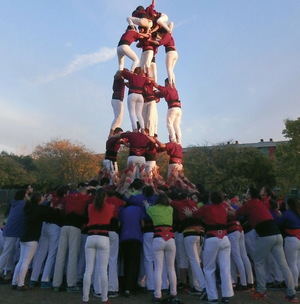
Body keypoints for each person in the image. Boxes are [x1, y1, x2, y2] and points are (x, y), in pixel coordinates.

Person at [236, 187, 298, 303]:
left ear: (250, 195)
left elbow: (237, 213)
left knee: (258, 262)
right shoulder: (259, 203)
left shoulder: (250, 204)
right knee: (283, 265)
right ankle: (292, 294)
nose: (245, 195)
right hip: (277, 234)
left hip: (265, 235)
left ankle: (261, 290)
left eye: (247, 193)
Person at [12, 192, 61, 290]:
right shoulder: (39, 210)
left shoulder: (28, 208)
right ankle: (20, 284)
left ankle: (14, 281)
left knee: (21, 260)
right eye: (42, 197)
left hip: (24, 236)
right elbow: (49, 212)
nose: (44, 198)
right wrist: (57, 209)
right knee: (26, 261)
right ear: (39, 199)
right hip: (32, 238)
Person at [52, 185, 92, 292]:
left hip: (64, 226)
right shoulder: (86, 198)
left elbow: (61, 207)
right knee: (73, 256)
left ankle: (56, 283)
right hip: (75, 227)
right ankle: (71, 284)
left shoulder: (69, 197)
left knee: (60, 255)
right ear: (86, 192)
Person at [198, 191, 234, 304]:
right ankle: (226, 295)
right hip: (224, 238)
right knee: (225, 268)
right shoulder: (224, 207)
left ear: (211, 198)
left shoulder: (206, 208)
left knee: (209, 269)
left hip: (212, 238)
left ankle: (212, 297)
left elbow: (195, 215)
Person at [147, 193, 181, 304]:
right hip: (170, 238)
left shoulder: (152, 209)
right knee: (171, 268)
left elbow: (147, 209)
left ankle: (157, 295)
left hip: (158, 238)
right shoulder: (170, 209)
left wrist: (146, 204)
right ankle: (173, 294)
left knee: (158, 268)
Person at [82, 188, 115, 304]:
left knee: (88, 269)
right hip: (103, 237)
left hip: (90, 236)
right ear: (105, 197)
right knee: (103, 270)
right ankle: (104, 298)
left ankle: (85, 298)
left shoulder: (90, 207)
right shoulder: (110, 207)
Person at [118, 199, 145, 297]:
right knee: (135, 263)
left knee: (126, 263)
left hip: (124, 238)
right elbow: (142, 224)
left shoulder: (122, 210)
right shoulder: (139, 209)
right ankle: (132, 286)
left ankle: (126, 287)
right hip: (136, 238)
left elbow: (119, 224)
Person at [0, 189, 26, 282]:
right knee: (7, 252)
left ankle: (8, 271)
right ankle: (3, 270)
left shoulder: (13, 203)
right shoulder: (23, 204)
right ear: (23, 196)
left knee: (8, 252)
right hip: (12, 232)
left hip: (8, 231)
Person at [276, 198, 300, 289]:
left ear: (288, 205)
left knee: (291, 263)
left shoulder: (287, 213)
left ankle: (293, 284)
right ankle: (296, 282)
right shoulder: (297, 213)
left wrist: (279, 215)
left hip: (292, 239)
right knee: (297, 262)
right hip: (298, 238)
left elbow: (278, 223)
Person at [121, 68, 152, 132]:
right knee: (139, 114)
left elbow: (122, 72)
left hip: (132, 95)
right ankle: (143, 129)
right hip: (140, 96)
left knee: (132, 113)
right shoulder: (143, 78)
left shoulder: (131, 75)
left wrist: (130, 72)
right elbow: (150, 80)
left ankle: (135, 129)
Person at [154, 78, 182, 144]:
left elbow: (158, 87)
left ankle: (173, 140)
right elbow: (162, 93)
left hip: (172, 108)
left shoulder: (167, 88)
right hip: (179, 108)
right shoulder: (174, 89)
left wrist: (154, 89)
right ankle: (179, 141)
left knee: (169, 124)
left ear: (167, 83)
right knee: (177, 125)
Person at [109, 72, 125, 137]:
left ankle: (115, 132)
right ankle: (111, 133)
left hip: (117, 99)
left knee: (120, 118)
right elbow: (116, 76)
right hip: (117, 99)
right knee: (118, 117)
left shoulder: (119, 79)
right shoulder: (119, 78)